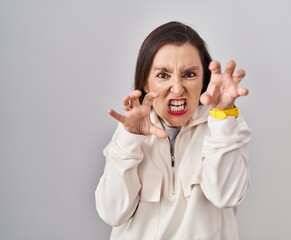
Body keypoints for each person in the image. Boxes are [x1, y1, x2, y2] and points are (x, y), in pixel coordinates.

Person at [95, 21, 252, 240]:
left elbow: (226, 196)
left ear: (204, 80)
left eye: (189, 75)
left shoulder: (226, 124)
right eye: (162, 75)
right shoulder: (131, 130)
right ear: (145, 82)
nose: (177, 88)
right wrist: (129, 138)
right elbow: (112, 213)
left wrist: (223, 117)